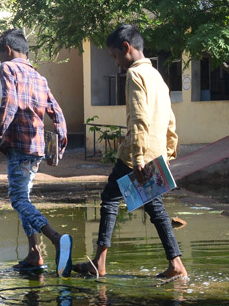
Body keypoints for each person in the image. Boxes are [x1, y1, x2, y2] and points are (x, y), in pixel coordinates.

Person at [74, 23, 185, 281]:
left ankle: (99, 263)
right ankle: (176, 264)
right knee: (154, 208)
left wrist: (137, 158)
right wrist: (169, 151)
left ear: (126, 48)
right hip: (155, 153)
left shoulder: (135, 75)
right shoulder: (157, 76)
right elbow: (170, 119)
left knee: (110, 199)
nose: (115, 62)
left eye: (114, 55)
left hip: (137, 154)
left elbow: (138, 119)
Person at [0, 28, 73, 275]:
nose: (0, 63)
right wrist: (60, 140)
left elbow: (10, 102)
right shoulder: (40, 77)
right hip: (37, 147)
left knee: (18, 199)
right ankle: (34, 254)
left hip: (18, 145)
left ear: (7, 51)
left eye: (0, 57)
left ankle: (57, 239)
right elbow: (56, 111)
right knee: (24, 198)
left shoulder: (9, 69)